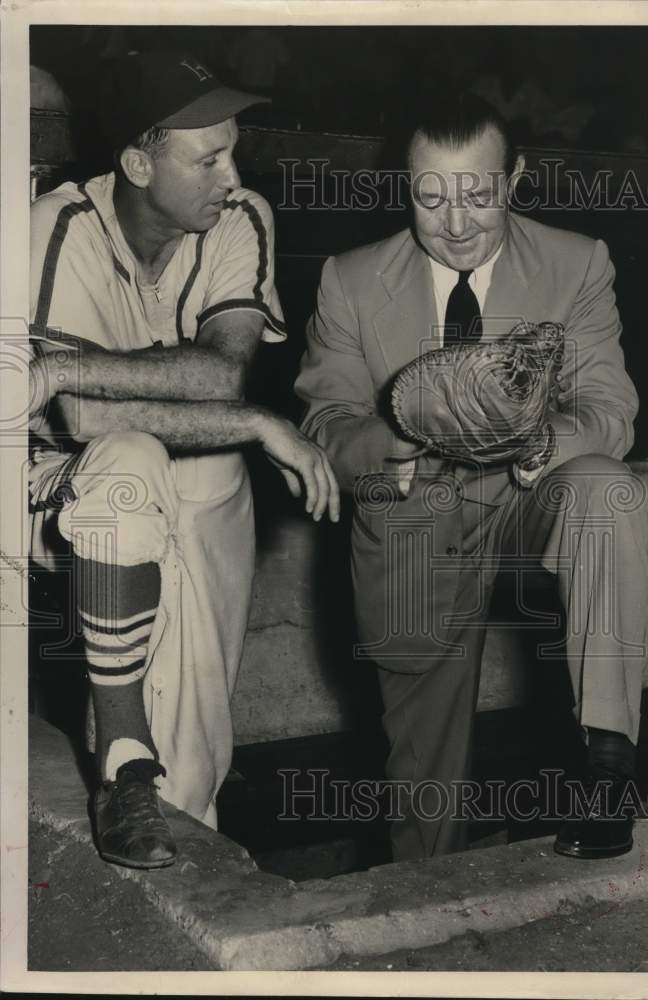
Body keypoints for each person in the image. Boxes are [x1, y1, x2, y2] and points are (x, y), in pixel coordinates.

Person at [295, 92, 648, 862]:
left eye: (478, 195)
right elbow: (326, 429)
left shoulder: (576, 262)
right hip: (414, 520)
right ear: (406, 186)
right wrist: (398, 435)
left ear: (514, 179)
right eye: (431, 197)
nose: (455, 224)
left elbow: (611, 411)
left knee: (603, 487)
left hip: (533, 501)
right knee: (423, 815)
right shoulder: (348, 281)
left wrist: (534, 439)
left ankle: (609, 767)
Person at [27, 49, 339, 870]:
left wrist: (69, 364)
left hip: (178, 479)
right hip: (38, 486)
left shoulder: (241, 218)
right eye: (208, 158)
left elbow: (224, 371)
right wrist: (250, 422)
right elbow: (82, 418)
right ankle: (135, 773)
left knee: (201, 465)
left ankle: (180, 797)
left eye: (232, 150)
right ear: (137, 162)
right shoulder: (56, 226)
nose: (232, 175)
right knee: (136, 462)